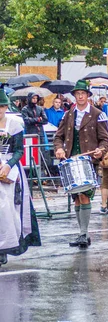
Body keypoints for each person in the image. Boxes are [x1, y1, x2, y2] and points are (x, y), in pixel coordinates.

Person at [54, 80, 108, 248]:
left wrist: (101, 150)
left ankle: (84, 234)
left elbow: (105, 139)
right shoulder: (68, 114)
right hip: (71, 160)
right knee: (77, 197)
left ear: (87, 96)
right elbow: (58, 136)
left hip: (88, 160)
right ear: (75, 96)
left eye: (83, 93)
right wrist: (59, 149)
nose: (80, 96)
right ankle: (82, 232)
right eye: (77, 94)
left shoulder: (98, 114)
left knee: (84, 195)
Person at [0, 89, 41, 267]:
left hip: (9, 169)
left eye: (1, 107)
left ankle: (5, 249)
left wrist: (8, 166)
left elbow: (19, 150)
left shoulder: (14, 124)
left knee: (9, 211)